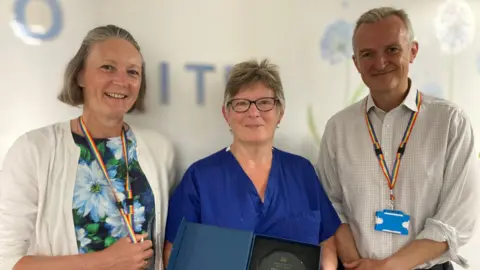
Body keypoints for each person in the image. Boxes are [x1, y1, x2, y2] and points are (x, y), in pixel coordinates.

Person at [0, 25, 176, 270]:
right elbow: (7, 261)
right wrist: (106, 261)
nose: (122, 81)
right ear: (80, 75)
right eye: (108, 67)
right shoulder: (34, 150)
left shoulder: (159, 150)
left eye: (133, 72)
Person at [317, 7, 480, 270]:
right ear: (356, 62)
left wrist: (387, 267)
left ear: (412, 51)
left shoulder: (451, 123)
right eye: (367, 54)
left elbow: (456, 221)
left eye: (392, 49)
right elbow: (328, 202)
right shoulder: (338, 128)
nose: (380, 62)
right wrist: (352, 260)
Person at [163, 59, 341, 269]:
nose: (253, 112)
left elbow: (327, 241)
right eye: (241, 104)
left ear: (280, 112)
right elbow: (175, 253)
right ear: (226, 114)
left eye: (265, 102)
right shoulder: (200, 178)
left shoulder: (302, 172)